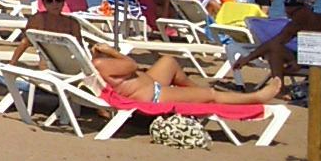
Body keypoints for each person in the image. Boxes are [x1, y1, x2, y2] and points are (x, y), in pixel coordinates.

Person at [92, 43, 280, 105]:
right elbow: (132, 65)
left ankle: (195, 92)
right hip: (153, 95)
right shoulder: (101, 64)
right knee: (211, 94)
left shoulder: (95, 64)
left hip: (148, 84)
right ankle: (255, 98)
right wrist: (111, 51)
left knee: (168, 61)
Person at [230, 0, 321, 85]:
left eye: (292, 13)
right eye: (287, 14)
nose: (289, 17)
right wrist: (247, 58)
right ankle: (278, 88)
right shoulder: (295, 24)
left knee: (277, 49)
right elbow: (274, 42)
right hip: (306, 58)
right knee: (275, 48)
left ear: (305, 10)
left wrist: (299, 62)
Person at [9, 0, 85, 62]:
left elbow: (80, 49)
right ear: (44, 3)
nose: (54, 4)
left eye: (58, 0)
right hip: (47, 64)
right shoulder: (37, 20)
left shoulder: (72, 24)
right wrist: (11, 64)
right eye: (49, 1)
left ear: (63, 2)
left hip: (70, 63)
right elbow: (25, 42)